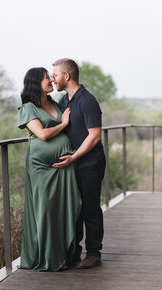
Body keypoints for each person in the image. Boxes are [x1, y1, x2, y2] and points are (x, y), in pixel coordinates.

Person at [18, 67, 81, 271]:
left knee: (62, 208)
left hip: (63, 165)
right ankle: (48, 258)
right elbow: (43, 135)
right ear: (36, 82)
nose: (52, 81)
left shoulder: (55, 103)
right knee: (44, 209)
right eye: (47, 78)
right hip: (41, 167)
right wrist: (62, 124)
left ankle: (63, 254)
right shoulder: (28, 108)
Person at [52, 58, 106, 268]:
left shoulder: (88, 101)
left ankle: (94, 254)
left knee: (90, 207)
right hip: (73, 164)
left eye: (55, 74)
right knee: (73, 209)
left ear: (67, 76)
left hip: (90, 162)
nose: (53, 78)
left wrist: (74, 156)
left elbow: (94, 136)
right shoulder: (64, 101)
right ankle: (73, 254)